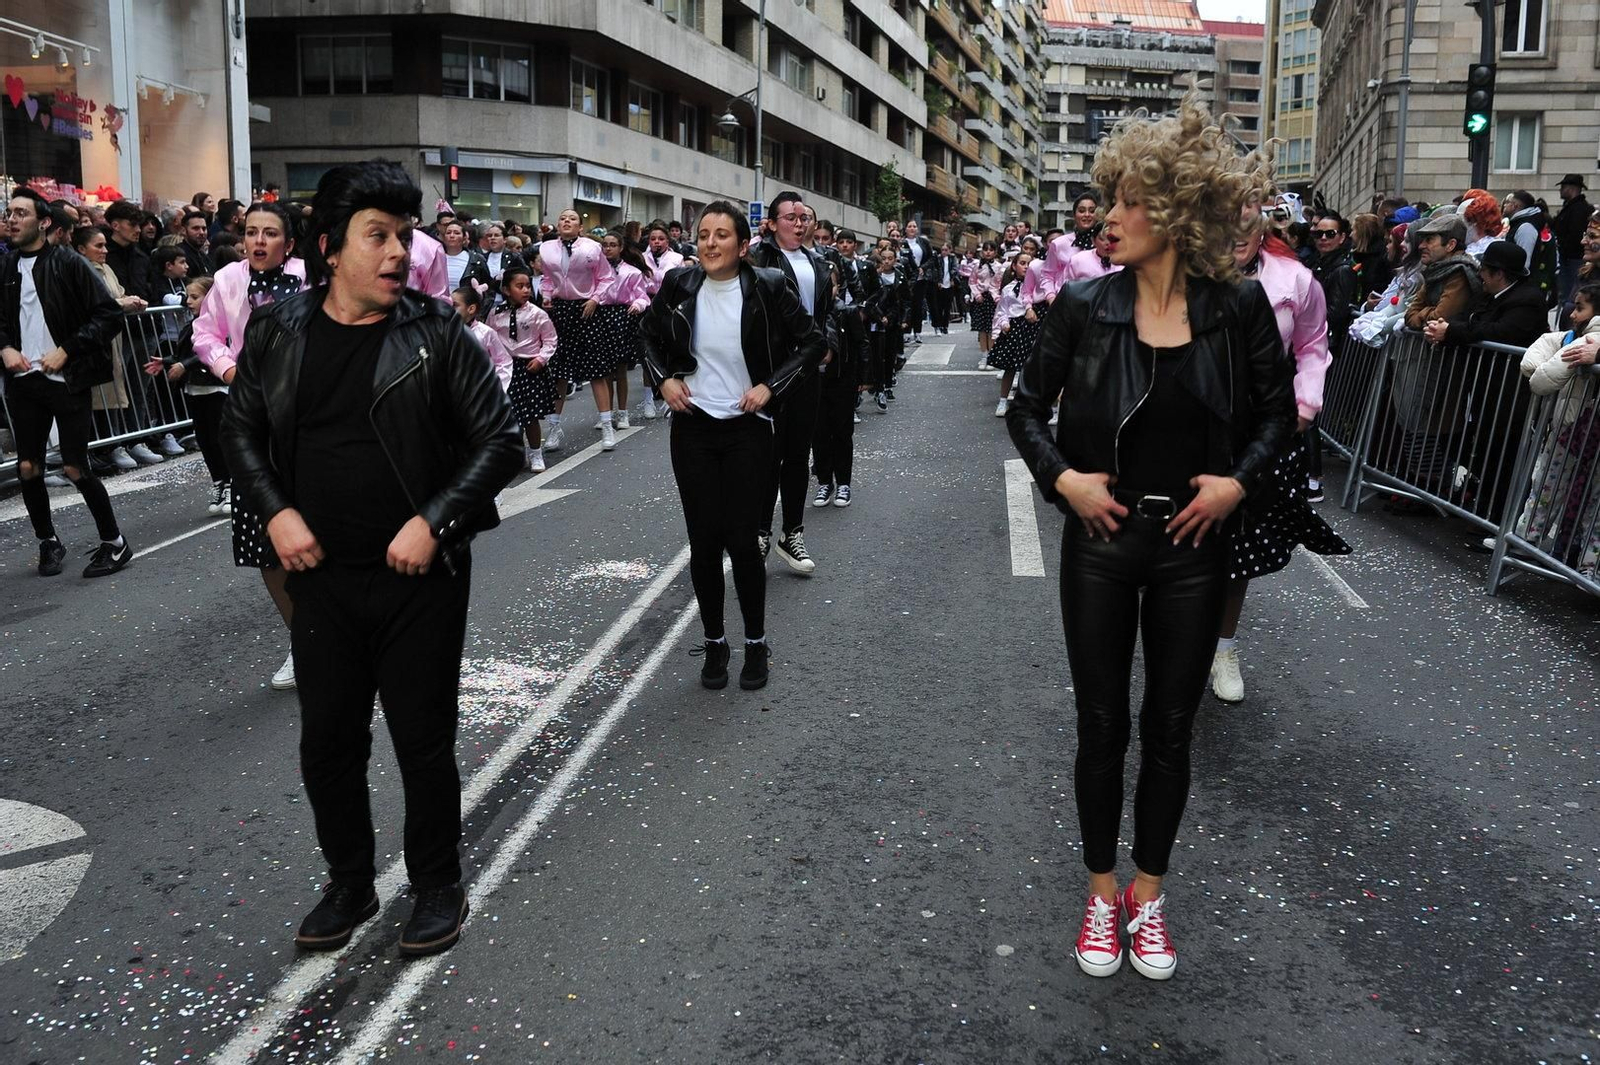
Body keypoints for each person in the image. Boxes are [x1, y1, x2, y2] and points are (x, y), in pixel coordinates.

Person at [1006, 99, 1293, 982]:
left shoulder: (1237, 307)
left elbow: (1277, 416)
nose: (1110, 216)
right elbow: (1025, 407)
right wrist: (1065, 479)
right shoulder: (1082, 305)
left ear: (1175, 211)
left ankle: (1148, 895)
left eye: (1131, 202)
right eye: (1112, 199)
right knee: (1102, 723)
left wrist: (1237, 482)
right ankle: (1101, 893)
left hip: (1192, 548)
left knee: (1172, 726)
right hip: (1102, 539)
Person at [221, 160, 523, 959]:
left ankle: (437, 882)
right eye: (378, 235)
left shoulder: (435, 333)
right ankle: (350, 881)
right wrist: (276, 511)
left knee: (422, 740)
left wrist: (434, 522)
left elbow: (500, 440)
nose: (398, 252)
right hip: (320, 579)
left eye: (405, 235)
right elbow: (240, 430)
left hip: (418, 578)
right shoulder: (278, 330)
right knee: (328, 741)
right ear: (329, 247)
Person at [638, 201, 824, 692]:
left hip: (747, 428)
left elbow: (813, 343)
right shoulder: (679, 284)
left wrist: (770, 387)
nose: (710, 243)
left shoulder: (768, 286)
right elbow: (648, 336)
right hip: (693, 428)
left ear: (743, 246)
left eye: (721, 235)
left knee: (742, 542)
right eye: (703, 234)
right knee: (703, 542)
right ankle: (715, 642)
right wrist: (664, 380)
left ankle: (756, 643)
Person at [1211, 208, 1350, 703]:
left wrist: (1306, 403)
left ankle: (1223, 648)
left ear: (1262, 225)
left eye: (1246, 220)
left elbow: (1313, 343)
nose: (1237, 232)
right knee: (1174, 543)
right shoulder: (1180, 269)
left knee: (1239, 547)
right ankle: (1176, 640)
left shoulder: (1295, 278)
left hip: (1261, 429)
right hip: (1191, 424)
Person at [191, 201, 310, 690]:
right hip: (252, 423)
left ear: (289, 242)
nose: (258, 241)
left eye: (270, 233)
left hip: (311, 422)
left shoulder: (314, 280)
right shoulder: (227, 280)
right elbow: (205, 333)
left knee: (322, 535)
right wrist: (230, 371)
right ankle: (303, 642)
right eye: (252, 232)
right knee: (265, 545)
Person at [1, 188, 131, 577]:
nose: (11, 219)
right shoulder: (5, 267)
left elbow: (108, 315)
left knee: (75, 466)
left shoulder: (69, 263)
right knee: (28, 467)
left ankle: (115, 543)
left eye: (21, 213)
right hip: (24, 381)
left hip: (67, 380)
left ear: (44, 223)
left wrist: (67, 350)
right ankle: (48, 541)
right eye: (9, 213)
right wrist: (5, 348)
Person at [749, 191, 834, 575]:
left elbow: (827, 312)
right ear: (771, 223)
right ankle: (760, 532)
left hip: (807, 370)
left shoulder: (818, 261)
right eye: (791, 218)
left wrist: (828, 344)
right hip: (771, 372)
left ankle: (792, 534)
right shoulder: (758, 259)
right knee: (769, 455)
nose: (799, 224)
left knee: (799, 456)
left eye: (804, 218)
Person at [146, 275, 234, 514]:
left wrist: (185, 365)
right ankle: (219, 484)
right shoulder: (192, 325)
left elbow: (211, 352)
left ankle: (231, 486)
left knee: (219, 439)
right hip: (195, 389)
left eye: (195, 297)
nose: (188, 301)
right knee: (205, 440)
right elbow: (185, 354)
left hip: (216, 388)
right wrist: (166, 361)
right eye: (188, 296)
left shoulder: (220, 323)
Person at [538, 208, 614, 452]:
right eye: (562, 218)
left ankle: (607, 424)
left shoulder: (592, 248)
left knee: (596, 370)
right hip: (560, 310)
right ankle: (554, 427)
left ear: (580, 227)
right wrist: (546, 295)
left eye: (572, 219)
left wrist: (595, 299)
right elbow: (546, 278)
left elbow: (606, 277)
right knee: (559, 372)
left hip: (586, 309)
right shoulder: (546, 248)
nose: (566, 221)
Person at [812, 229, 866, 507]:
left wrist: (864, 378)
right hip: (815, 382)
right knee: (819, 434)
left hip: (843, 379)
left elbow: (861, 345)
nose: (826, 288)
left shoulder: (848, 312)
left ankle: (844, 483)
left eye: (831, 284)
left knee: (842, 433)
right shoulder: (808, 315)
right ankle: (824, 482)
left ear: (839, 286)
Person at [488, 264, 559, 472]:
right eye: (520, 286)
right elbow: (490, 339)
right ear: (506, 290)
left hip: (529, 368)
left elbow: (550, 339)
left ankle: (536, 453)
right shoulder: (495, 314)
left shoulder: (537, 314)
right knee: (511, 415)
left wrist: (541, 359)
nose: (526, 290)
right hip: (505, 368)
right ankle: (517, 453)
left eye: (528, 286)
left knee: (530, 415)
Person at [1423, 239, 1549, 349]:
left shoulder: (1527, 300)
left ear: (1499, 274)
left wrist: (1450, 330)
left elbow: (1498, 332)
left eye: (1482, 269)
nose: (1479, 274)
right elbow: (1465, 316)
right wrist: (1440, 328)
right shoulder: (1486, 293)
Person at [590, 229, 650, 443]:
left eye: (612, 245)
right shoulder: (595, 271)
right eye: (605, 245)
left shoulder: (631, 272)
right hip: (600, 316)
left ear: (621, 248)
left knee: (621, 369)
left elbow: (642, 295)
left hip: (622, 317)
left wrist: (637, 304)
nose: (608, 249)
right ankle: (606, 411)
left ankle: (622, 412)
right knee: (603, 369)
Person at [1404, 214, 1481, 330]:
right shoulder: (1436, 270)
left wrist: (1423, 312)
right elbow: (1409, 314)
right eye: (1422, 240)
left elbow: (1439, 318)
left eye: (1429, 240)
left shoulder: (1461, 273)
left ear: (1450, 245)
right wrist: (1429, 311)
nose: (1421, 246)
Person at [989, 247, 1039, 417]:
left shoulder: (1037, 287)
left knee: (1030, 367)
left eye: (1029, 264)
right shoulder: (1008, 289)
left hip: (1031, 327)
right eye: (1022, 263)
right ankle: (1003, 400)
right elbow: (1002, 310)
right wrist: (1003, 323)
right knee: (1009, 367)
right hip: (1014, 328)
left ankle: (1029, 402)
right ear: (1014, 266)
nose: (1026, 267)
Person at [860, 245, 904, 412]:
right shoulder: (863, 285)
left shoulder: (887, 286)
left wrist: (888, 318)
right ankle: (859, 393)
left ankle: (881, 390)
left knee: (879, 360)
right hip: (865, 327)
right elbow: (866, 305)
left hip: (880, 329)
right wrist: (878, 316)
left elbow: (894, 305)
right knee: (864, 360)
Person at [451, 282, 513, 396]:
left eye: (454, 305)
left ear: (471, 309)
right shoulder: (445, 331)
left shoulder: (486, 333)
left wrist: (495, 388)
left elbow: (504, 362)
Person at [1552, 175, 1591, 311]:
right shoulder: (1571, 207)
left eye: (1563, 187)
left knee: (1570, 295)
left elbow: (1575, 235)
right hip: (1569, 257)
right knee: (1566, 294)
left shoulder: (1578, 209)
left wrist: (1563, 246)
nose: (1560, 190)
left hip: (1573, 258)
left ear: (1571, 188)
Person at [962, 241, 1004, 359]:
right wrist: (977, 294)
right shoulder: (977, 266)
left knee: (992, 327)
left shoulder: (999, 267)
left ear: (995, 252)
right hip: (981, 298)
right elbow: (972, 281)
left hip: (993, 299)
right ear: (982, 252)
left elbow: (1000, 283)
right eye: (986, 250)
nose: (988, 252)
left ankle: (991, 355)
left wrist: (997, 296)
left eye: (991, 250)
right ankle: (984, 355)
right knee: (982, 329)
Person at [900, 218, 936, 343]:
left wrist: (923, 268)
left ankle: (917, 332)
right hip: (906, 279)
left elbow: (931, 258)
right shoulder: (902, 243)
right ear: (905, 229)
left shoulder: (923, 242)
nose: (912, 228)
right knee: (907, 305)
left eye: (914, 226)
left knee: (918, 305)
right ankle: (906, 332)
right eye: (909, 226)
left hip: (921, 278)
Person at [178, 209, 216, 278]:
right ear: (183, 231)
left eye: (204, 228)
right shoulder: (179, 255)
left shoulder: (204, 256)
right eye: (196, 228)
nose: (201, 232)